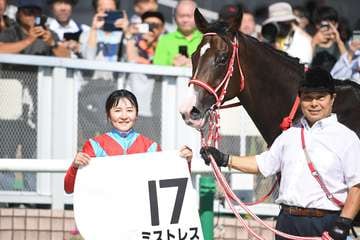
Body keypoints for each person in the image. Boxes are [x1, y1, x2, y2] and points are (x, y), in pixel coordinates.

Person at [200, 67, 360, 240]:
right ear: (300, 99)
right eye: (308, 98)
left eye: (320, 97)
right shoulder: (289, 135)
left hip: (324, 223)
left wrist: (343, 222)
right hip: (287, 221)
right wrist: (224, 159)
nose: (314, 104)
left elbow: (356, 186)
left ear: (332, 99)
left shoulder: (347, 138)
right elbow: (263, 164)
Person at [65, 89, 193, 193]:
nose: (124, 116)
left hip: (141, 217)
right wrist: (75, 166)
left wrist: (184, 162)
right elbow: (69, 188)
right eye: (117, 111)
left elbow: (170, 185)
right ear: (108, 115)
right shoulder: (95, 145)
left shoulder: (151, 147)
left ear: (137, 114)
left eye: (130, 110)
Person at [153, 0, 201, 67]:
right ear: (175, 17)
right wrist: (172, 63)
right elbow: (156, 66)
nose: (185, 20)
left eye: (189, 16)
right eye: (181, 16)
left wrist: (196, 64)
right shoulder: (165, 40)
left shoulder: (207, 39)